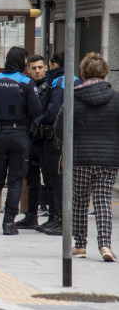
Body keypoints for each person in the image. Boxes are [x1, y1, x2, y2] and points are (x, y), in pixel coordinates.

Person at [54, 53, 119, 262]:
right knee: (103, 201)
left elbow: (59, 129)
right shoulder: (116, 98)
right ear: (105, 72)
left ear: (83, 72)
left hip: (79, 159)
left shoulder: (73, 97)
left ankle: (80, 245)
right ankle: (105, 245)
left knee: (80, 201)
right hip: (108, 160)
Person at [0, 46, 42, 236]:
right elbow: (37, 111)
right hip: (19, 137)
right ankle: (8, 223)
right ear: (22, 62)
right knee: (15, 182)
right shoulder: (26, 83)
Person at [35, 51, 76, 236]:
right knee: (53, 179)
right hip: (61, 137)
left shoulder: (60, 82)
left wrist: (37, 121)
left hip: (54, 137)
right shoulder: (72, 79)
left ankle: (58, 219)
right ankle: (53, 218)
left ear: (52, 64)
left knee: (55, 179)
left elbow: (53, 111)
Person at [13, 54, 49, 230]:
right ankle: (31, 215)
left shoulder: (51, 87)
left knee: (50, 178)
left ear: (46, 68)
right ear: (28, 70)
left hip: (46, 139)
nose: (37, 71)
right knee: (31, 178)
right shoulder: (25, 86)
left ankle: (54, 216)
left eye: (40, 67)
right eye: (33, 68)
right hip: (29, 138)